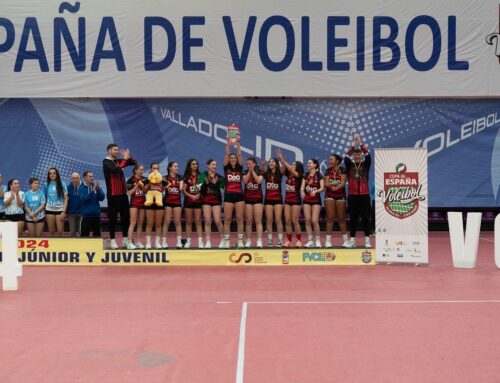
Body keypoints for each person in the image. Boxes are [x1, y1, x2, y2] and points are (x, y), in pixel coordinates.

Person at [103, 143, 136, 249]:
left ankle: (125, 239)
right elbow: (116, 170)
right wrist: (124, 160)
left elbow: (134, 162)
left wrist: (127, 157)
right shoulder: (106, 162)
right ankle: (112, 240)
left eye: (117, 150)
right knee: (112, 219)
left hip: (123, 194)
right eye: (115, 150)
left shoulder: (118, 161)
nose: (117, 152)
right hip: (113, 195)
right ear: (109, 151)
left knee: (125, 218)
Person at [344, 134, 372, 248]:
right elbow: (346, 156)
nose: (356, 155)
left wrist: (360, 144)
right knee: (353, 218)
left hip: (365, 195)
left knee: (366, 218)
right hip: (352, 196)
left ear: (361, 155)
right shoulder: (349, 165)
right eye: (355, 154)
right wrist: (353, 146)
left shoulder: (366, 164)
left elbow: (369, 154)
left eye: (358, 154)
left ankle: (367, 240)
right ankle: (352, 241)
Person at [277, 149, 304, 248]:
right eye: (292, 164)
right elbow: (285, 168)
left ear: (298, 167)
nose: (292, 166)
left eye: (294, 165)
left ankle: (299, 241)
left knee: (294, 221)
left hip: (296, 200)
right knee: (287, 221)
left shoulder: (299, 176)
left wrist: (283, 160)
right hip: (287, 200)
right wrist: (281, 159)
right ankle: (289, 241)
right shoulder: (288, 175)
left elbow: (290, 169)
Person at [223, 140, 245, 248]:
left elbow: (239, 154)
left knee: (240, 219)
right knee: (227, 219)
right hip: (228, 196)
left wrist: (237, 143)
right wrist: (228, 142)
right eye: (231, 158)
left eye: (234, 158)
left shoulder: (240, 167)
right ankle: (227, 241)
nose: (233, 159)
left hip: (239, 196)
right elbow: (227, 153)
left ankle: (240, 240)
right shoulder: (226, 167)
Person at [324, 154, 349, 247]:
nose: (329, 161)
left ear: (337, 161)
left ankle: (346, 241)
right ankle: (328, 241)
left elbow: (343, 183)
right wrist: (331, 186)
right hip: (329, 195)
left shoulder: (343, 170)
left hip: (340, 195)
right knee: (330, 218)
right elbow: (326, 183)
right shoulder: (328, 170)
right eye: (329, 159)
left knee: (342, 218)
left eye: (331, 159)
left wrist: (335, 187)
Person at [199, 159, 225, 249]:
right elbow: (198, 186)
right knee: (208, 221)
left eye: (216, 164)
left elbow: (221, 192)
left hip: (216, 201)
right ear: (208, 165)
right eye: (213, 164)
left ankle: (223, 240)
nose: (215, 166)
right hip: (206, 200)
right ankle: (208, 241)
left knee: (218, 221)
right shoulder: (203, 175)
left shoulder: (220, 177)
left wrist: (215, 185)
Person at [301, 159, 325, 248]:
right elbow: (302, 187)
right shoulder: (305, 175)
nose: (308, 164)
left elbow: (322, 188)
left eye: (310, 163)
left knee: (314, 220)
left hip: (316, 200)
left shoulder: (319, 175)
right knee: (307, 220)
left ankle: (318, 241)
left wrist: (315, 191)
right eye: (308, 163)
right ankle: (310, 241)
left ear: (315, 165)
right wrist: (302, 192)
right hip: (306, 199)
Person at [144, 162, 168, 249]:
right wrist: (149, 184)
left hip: (159, 203)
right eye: (154, 168)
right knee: (149, 224)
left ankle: (157, 243)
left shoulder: (162, 178)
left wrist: (160, 183)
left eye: (157, 168)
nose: (155, 170)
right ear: (151, 169)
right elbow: (144, 191)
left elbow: (164, 189)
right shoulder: (147, 178)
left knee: (158, 224)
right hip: (150, 203)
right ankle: (148, 243)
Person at [261, 157, 284, 247]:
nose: (271, 163)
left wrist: (281, 158)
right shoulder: (267, 174)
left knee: (278, 220)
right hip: (268, 199)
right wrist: (262, 165)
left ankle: (280, 240)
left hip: (278, 199)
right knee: (269, 220)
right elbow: (262, 172)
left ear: (276, 164)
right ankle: (270, 240)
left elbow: (284, 168)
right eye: (269, 162)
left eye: (273, 162)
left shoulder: (280, 173)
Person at [181, 159, 203, 248]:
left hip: (198, 201)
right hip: (188, 201)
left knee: (198, 221)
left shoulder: (201, 176)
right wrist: (191, 196)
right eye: (193, 164)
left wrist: (199, 194)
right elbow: (183, 190)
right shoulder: (185, 177)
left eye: (196, 164)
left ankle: (200, 242)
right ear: (189, 165)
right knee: (189, 222)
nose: (195, 165)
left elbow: (203, 188)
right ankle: (188, 242)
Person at [243, 157, 264, 248]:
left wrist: (253, 172)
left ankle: (259, 240)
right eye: (247, 163)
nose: (248, 165)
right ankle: (248, 241)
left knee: (258, 221)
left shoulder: (259, 171)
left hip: (257, 198)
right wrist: (249, 171)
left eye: (250, 163)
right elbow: (245, 180)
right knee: (248, 221)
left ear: (254, 164)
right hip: (247, 199)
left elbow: (259, 181)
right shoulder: (245, 171)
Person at [163, 161, 183, 249]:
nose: (177, 168)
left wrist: (182, 187)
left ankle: (179, 242)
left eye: (177, 166)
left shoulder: (180, 177)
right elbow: (161, 188)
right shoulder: (165, 178)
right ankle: (164, 241)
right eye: (175, 166)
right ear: (170, 168)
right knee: (166, 222)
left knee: (177, 222)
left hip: (177, 202)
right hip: (168, 202)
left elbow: (181, 189)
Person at [126, 164, 146, 249]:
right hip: (134, 203)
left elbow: (146, 192)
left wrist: (144, 187)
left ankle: (138, 242)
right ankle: (129, 242)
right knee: (133, 222)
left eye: (142, 170)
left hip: (142, 203)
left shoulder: (144, 179)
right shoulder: (130, 180)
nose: (142, 171)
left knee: (140, 224)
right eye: (140, 170)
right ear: (135, 170)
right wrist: (137, 185)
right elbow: (129, 193)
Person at [80, 171, 105, 237]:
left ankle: (96, 247)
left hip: (96, 215)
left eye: (92, 176)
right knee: (84, 236)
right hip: (86, 216)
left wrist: (98, 189)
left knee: (97, 236)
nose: (92, 178)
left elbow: (102, 197)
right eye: (90, 176)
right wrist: (92, 191)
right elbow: (84, 199)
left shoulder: (96, 187)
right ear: (85, 178)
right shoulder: (81, 188)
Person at [44, 167, 68, 236]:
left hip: (60, 210)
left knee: (60, 230)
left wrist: (64, 211)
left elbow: (66, 199)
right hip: (49, 209)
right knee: (51, 231)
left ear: (57, 174)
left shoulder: (62, 184)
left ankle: (61, 246)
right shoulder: (46, 184)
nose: (52, 175)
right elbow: (45, 198)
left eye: (54, 173)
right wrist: (44, 211)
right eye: (50, 173)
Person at [67, 172, 82, 237]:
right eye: (73, 178)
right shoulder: (67, 188)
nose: (75, 180)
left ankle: (83, 246)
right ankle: (72, 246)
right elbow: (65, 200)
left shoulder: (84, 187)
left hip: (82, 213)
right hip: (71, 213)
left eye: (77, 178)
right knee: (72, 231)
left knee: (81, 231)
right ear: (71, 179)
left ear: (80, 178)